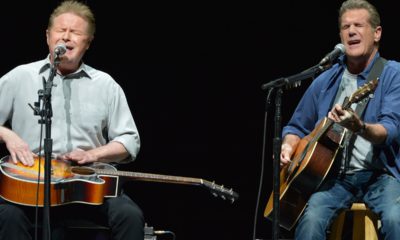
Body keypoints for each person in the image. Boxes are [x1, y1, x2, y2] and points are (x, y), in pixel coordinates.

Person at [0, 1, 144, 239]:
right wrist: (8, 135)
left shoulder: (105, 85)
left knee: (129, 215)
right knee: (7, 216)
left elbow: (129, 141)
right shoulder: (20, 76)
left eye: (75, 33)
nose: (66, 38)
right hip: (28, 188)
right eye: (60, 30)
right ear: (48, 36)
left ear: (87, 42)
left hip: (87, 188)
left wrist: (92, 155)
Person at [279, 0, 400, 239]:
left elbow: (390, 130)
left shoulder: (392, 74)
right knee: (310, 220)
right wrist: (288, 145)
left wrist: (360, 127)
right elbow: (296, 126)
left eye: (358, 25)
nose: (351, 31)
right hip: (334, 179)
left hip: (380, 176)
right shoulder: (326, 80)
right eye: (346, 27)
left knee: (396, 217)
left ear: (377, 33)